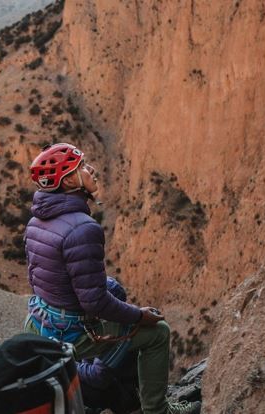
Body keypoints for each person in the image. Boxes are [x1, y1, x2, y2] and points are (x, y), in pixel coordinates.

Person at [23, 143, 201, 414]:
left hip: (38, 321)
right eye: (82, 167)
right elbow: (95, 303)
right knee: (158, 333)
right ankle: (158, 410)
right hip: (68, 330)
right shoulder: (83, 229)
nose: (91, 170)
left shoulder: (35, 222)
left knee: (113, 288)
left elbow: (36, 279)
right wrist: (140, 316)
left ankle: (100, 375)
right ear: (69, 180)